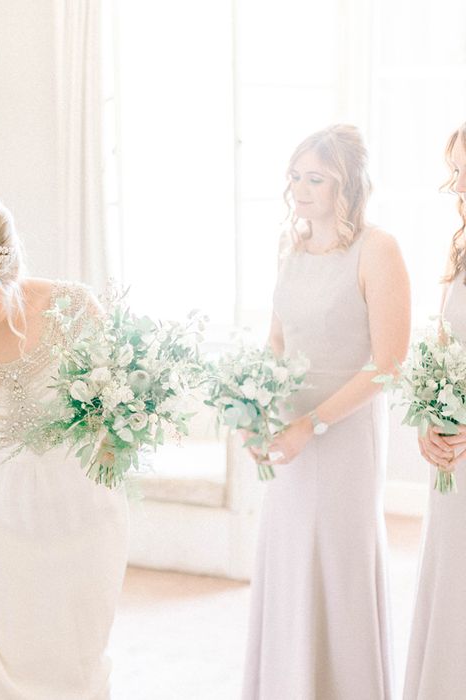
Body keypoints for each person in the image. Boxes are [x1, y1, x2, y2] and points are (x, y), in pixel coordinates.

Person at [0, 189, 129, 699]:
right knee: (14, 653)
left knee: (80, 651)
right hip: (5, 513)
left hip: (86, 505)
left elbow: (120, 404)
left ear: (12, 271)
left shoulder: (74, 307)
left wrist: (115, 444)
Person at [241, 125, 411, 699]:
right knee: (289, 563)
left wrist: (310, 426)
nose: (300, 189)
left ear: (349, 185)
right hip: (287, 431)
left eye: (316, 178)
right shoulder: (289, 246)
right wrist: (254, 407)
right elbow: (277, 340)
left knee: (339, 567)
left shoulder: (377, 248)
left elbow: (388, 364)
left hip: (342, 434)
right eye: (295, 176)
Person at [403, 121, 466, 699]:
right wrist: (429, 414)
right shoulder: (462, 246)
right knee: (449, 572)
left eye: (462, 167)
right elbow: (445, 347)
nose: (455, 183)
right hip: (452, 451)